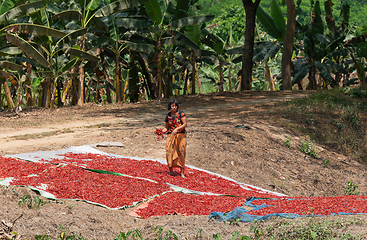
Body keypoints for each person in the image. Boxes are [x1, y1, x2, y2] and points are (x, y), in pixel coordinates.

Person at [162, 99, 187, 178]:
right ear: (170, 107)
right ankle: (171, 171)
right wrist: (161, 132)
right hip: (171, 135)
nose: (174, 107)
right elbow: (167, 127)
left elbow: (185, 124)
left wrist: (177, 129)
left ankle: (182, 172)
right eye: (172, 106)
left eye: (175, 106)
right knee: (169, 152)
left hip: (180, 135)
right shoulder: (168, 116)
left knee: (181, 152)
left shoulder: (181, 113)